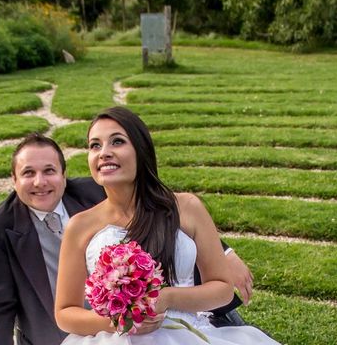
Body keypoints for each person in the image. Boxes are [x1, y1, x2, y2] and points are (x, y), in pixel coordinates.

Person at [0, 133, 253, 345]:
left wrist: (224, 253)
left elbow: (165, 214)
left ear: (63, 174)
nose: (40, 182)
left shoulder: (98, 190)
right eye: (28, 173)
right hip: (57, 334)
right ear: (13, 179)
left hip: (148, 321)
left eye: (49, 171)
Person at [55, 107, 280, 345]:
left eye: (117, 141)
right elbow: (65, 312)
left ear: (141, 150)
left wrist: (167, 297)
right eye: (95, 145)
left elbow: (223, 289)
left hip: (184, 333)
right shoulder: (80, 226)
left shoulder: (187, 208)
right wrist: (119, 322)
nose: (104, 153)